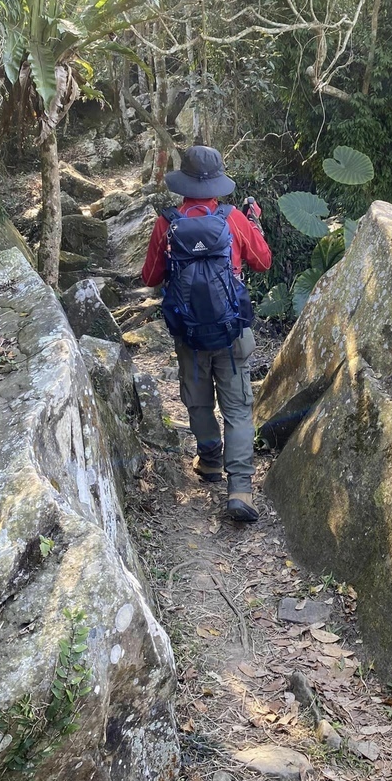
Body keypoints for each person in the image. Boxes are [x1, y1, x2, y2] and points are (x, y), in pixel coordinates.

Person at [141, 145, 272, 522]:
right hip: (232, 335)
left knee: (197, 402)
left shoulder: (167, 222)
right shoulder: (233, 218)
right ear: (217, 182)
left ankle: (210, 460)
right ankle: (241, 490)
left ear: (182, 181)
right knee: (237, 407)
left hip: (190, 336)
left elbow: (149, 277)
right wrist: (253, 228)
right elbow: (263, 262)